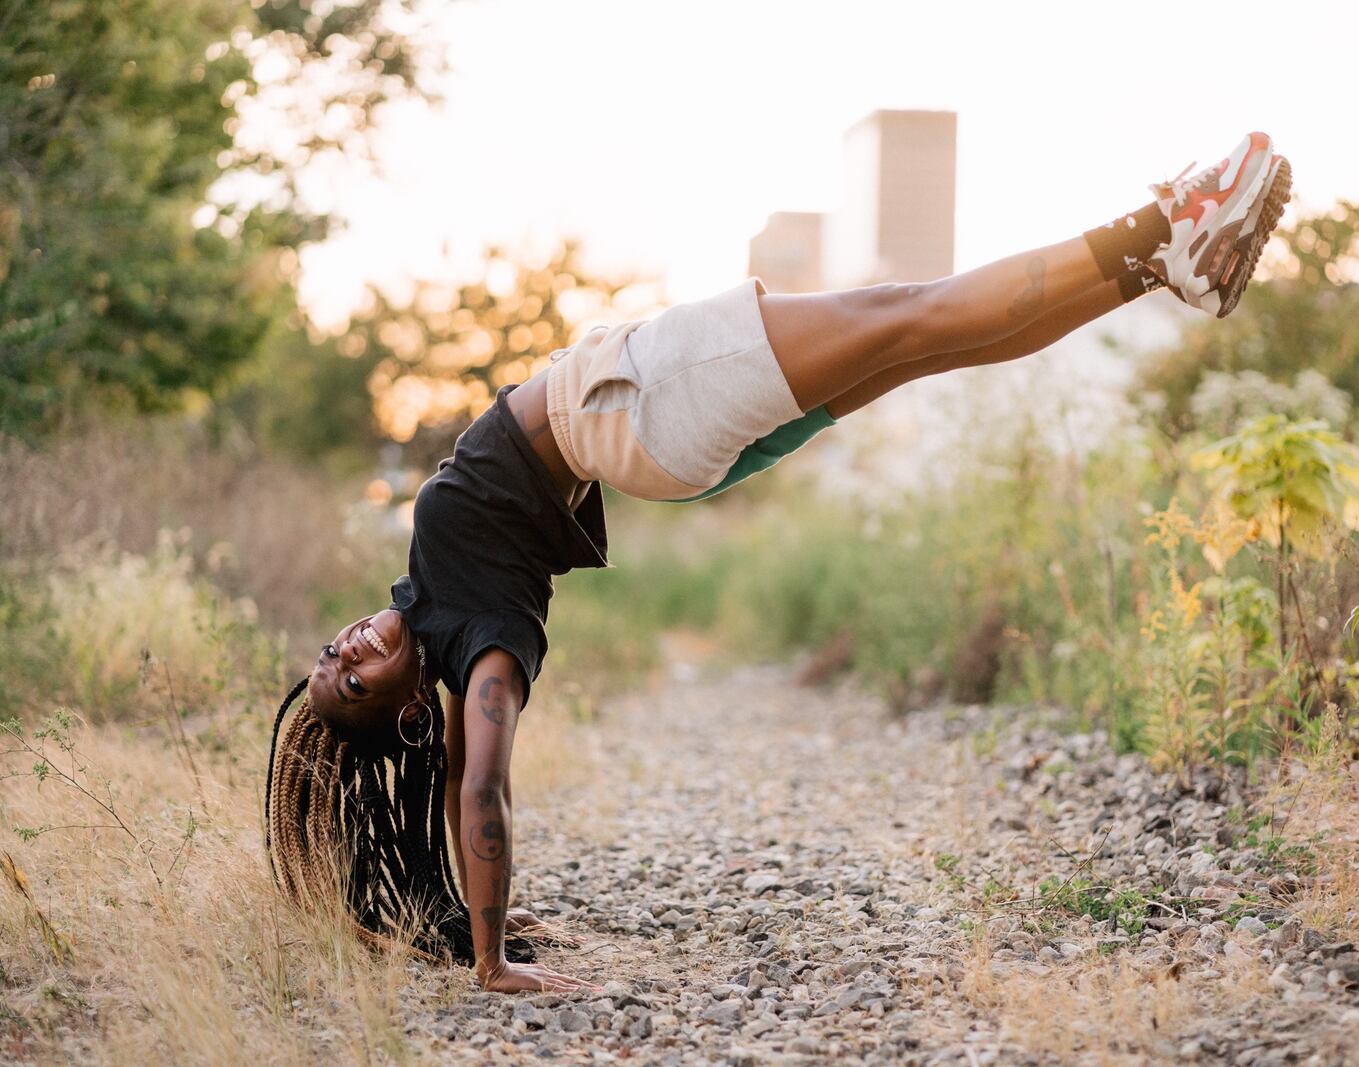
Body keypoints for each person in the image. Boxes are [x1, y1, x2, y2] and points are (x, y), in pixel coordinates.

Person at [265, 132, 1292, 993]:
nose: (350, 646)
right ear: (405, 705)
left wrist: (471, 913)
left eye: (329, 652)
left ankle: (1160, 272)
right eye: (354, 679)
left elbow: (454, 793)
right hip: (637, 406)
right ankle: (1170, 218)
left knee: (925, 342)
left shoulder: (438, 611)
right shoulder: (477, 643)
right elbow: (482, 783)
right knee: (912, 309)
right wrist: (490, 962)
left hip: (649, 433)